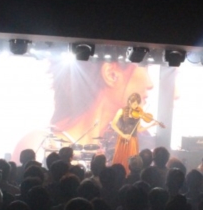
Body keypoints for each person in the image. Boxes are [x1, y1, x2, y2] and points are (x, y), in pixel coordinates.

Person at [13, 61, 155, 166]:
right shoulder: (39, 144)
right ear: (111, 74)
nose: (150, 84)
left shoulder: (128, 147)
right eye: (145, 67)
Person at [110, 93, 159, 174]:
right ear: (130, 101)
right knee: (121, 159)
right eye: (135, 104)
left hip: (133, 140)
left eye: (137, 104)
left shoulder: (138, 114)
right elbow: (113, 124)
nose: (136, 106)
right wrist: (123, 135)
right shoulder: (121, 111)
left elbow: (139, 129)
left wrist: (151, 125)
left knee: (132, 162)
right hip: (123, 139)